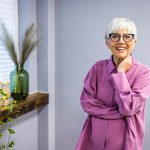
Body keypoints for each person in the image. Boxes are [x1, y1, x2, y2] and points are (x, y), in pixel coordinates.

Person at [76, 18, 150, 150]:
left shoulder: (144, 73)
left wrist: (120, 73)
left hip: (125, 143)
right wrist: (118, 113)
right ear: (107, 42)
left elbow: (128, 109)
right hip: (93, 141)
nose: (121, 41)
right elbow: (86, 103)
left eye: (127, 36)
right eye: (115, 36)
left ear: (134, 42)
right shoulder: (97, 68)